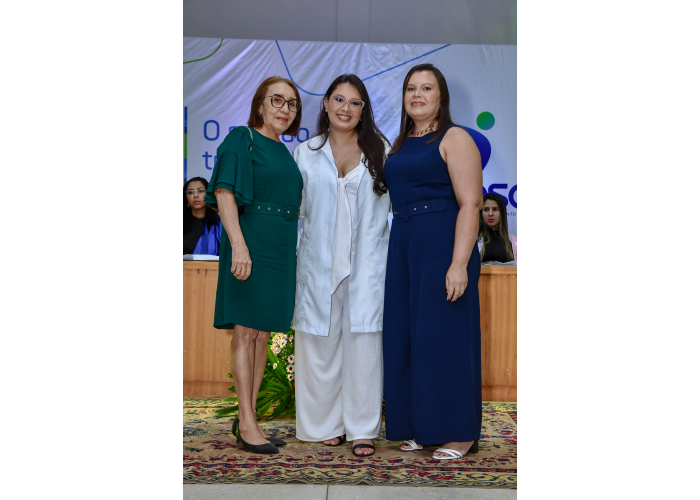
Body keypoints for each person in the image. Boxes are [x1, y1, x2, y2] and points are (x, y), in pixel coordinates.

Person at [382, 63, 484, 461]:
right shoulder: (401, 142)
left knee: (446, 339)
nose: (417, 95)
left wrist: (459, 263)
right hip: (404, 243)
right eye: (411, 88)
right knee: (407, 338)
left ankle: (458, 433)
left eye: (426, 88)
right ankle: (419, 428)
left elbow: (471, 204)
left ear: (441, 96)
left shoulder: (454, 137)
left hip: (443, 243)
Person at [203, 76, 303, 454]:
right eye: (277, 100)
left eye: (291, 103)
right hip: (250, 242)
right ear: (260, 104)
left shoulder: (284, 150)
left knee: (262, 335)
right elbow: (224, 192)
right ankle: (246, 423)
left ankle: (250, 418)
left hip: (279, 248)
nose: (284, 108)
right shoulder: (241, 138)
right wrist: (240, 247)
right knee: (246, 333)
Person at [292, 74, 391, 457]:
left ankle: (362, 429)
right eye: (338, 99)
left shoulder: (382, 150)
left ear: (363, 110)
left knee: (364, 346)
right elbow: (296, 209)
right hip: (318, 263)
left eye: (354, 102)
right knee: (318, 344)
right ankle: (323, 426)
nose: (345, 108)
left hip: (367, 264)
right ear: (326, 103)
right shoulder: (305, 152)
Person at [183, 177, 222, 255]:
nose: (195, 195)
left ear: (208, 194)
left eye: (200, 191)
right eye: (190, 192)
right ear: (186, 197)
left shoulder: (220, 224)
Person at [479, 192, 517, 262]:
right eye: (486, 209)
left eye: (495, 209)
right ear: (481, 213)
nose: (490, 214)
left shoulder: (514, 242)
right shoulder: (473, 239)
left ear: (502, 212)